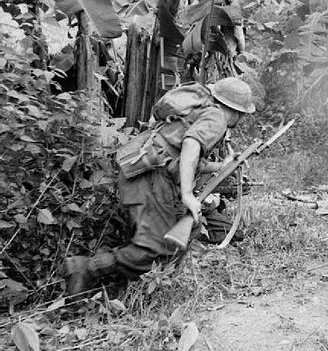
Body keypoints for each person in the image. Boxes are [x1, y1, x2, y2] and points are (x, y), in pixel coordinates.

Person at [63, 77, 255, 297]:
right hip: (152, 180)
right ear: (236, 110)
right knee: (157, 246)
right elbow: (191, 145)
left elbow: (184, 156)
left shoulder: (197, 112)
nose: (241, 118)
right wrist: (187, 195)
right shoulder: (216, 117)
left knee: (172, 238)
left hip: (146, 177)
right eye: (242, 114)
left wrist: (222, 166)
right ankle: (87, 268)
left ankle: (122, 287)